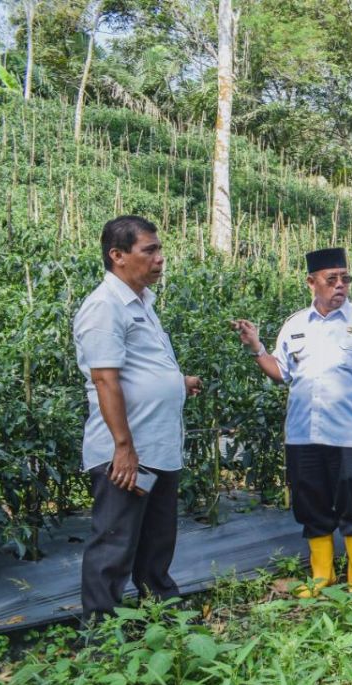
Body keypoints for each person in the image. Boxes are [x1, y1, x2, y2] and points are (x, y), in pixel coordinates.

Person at [232, 248, 352, 596]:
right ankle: (321, 576)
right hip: (303, 434)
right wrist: (256, 348)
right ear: (311, 282)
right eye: (331, 279)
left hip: (351, 435)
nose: (340, 286)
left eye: (345, 278)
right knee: (310, 502)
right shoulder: (295, 325)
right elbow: (280, 373)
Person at [73, 215, 203, 622]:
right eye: (150, 250)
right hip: (128, 452)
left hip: (157, 446)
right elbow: (105, 379)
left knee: (157, 542)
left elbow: (137, 369)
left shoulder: (142, 304)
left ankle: (163, 617)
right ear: (118, 255)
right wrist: (123, 449)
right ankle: (101, 634)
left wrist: (177, 382)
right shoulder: (104, 306)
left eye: (159, 249)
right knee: (114, 545)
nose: (160, 258)